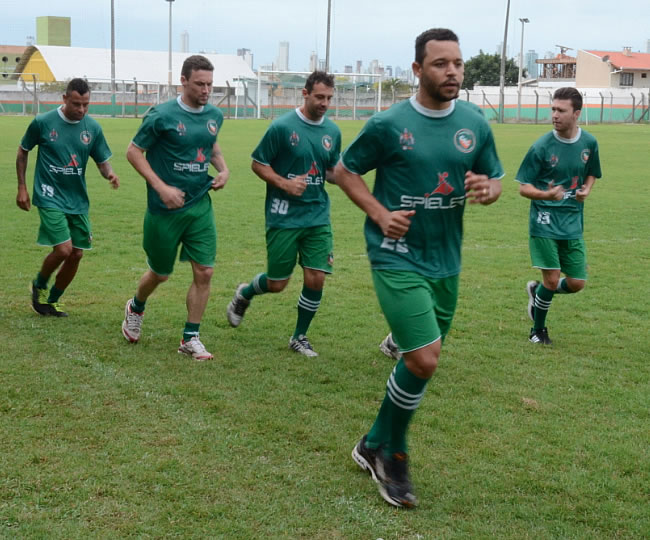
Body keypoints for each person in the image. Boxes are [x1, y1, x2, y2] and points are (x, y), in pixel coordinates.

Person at [334, 28, 504, 508]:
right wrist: (379, 213)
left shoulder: (475, 121)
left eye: (457, 63)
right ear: (417, 70)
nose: (452, 72)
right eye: (440, 64)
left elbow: (492, 178)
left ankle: (370, 443)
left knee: (418, 363)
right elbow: (344, 171)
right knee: (425, 357)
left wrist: (490, 189)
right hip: (396, 255)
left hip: (446, 258)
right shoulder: (389, 124)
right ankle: (394, 456)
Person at [121, 55, 230, 361]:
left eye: (210, 84)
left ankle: (190, 337)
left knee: (205, 271)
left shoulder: (214, 115)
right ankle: (136, 306)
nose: (206, 90)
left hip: (199, 204)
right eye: (199, 84)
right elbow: (133, 152)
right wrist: (162, 188)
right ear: (183, 81)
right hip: (164, 209)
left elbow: (211, 145)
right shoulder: (161, 115)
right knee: (160, 273)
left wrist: (223, 169)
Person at [226, 71, 341, 357]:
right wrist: (284, 184)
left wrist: (346, 175)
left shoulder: (333, 133)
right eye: (319, 97)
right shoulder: (281, 128)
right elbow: (258, 164)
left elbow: (331, 171)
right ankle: (245, 293)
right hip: (284, 216)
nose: (325, 103)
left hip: (317, 215)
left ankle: (299, 336)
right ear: (304, 94)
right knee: (278, 283)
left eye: (329, 98)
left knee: (316, 277)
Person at [16, 78, 119, 317]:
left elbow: (102, 160)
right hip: (49, 195)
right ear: (64, 99)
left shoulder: (92, 128)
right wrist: (22, 187)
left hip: (77, 200)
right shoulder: (43, 122)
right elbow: (23, 151)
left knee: (77, 253)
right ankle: (39, 285)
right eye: (76, 104)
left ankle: (52, 300)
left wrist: (110, 174)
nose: (81, 110)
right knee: (63, 250)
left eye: (85, 104)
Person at [517, 87, 601, 345]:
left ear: (577, 113)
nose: (554, 115)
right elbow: (523, 187)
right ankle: (537, 331)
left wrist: (587, 188)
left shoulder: (589, 143)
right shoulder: (541, 146)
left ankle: (537, 292)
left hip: (572, 222)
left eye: (561, 110)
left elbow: (591, 172)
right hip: (544, 222)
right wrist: (546, 195)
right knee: (552, 280)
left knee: (576, 283)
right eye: (553, 109)